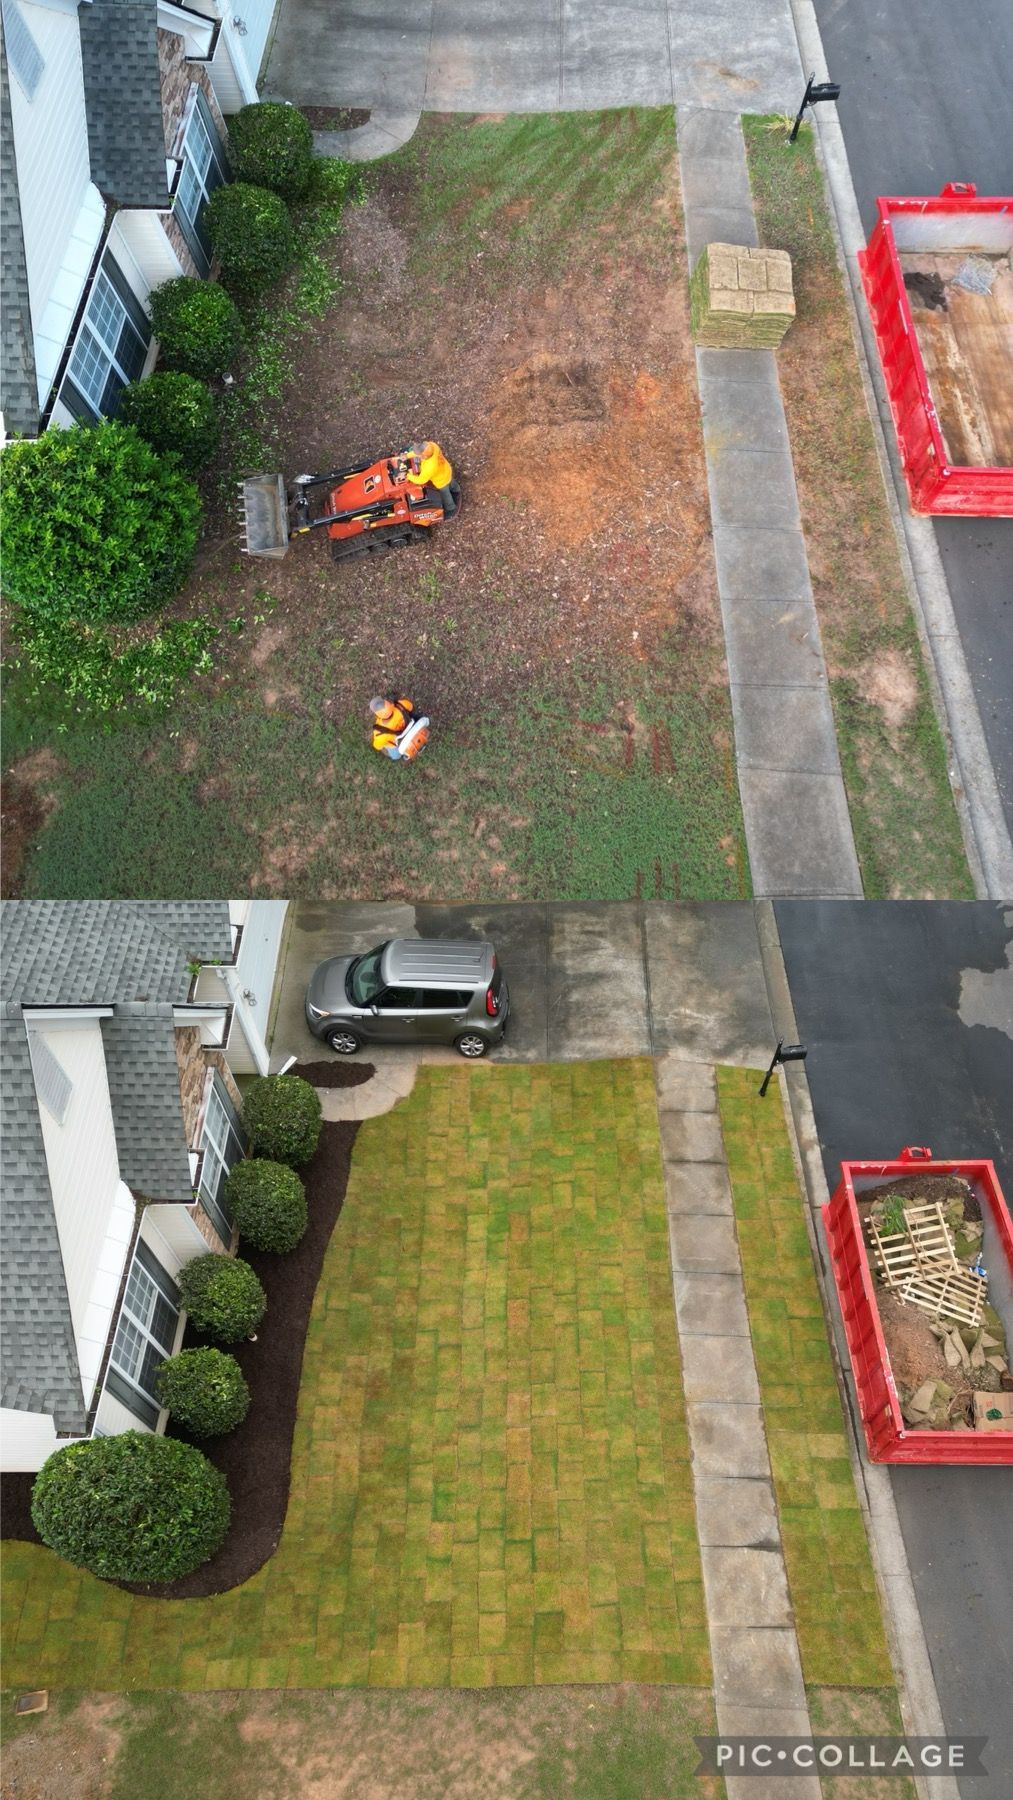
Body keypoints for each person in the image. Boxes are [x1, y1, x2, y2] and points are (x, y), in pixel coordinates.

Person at [395, 441, 460, 518]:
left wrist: (407, 475)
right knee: (451, 482)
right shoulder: (432, 446)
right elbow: (419, 452)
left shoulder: (430, 466)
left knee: (445, 494)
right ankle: (456, 489)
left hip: (441, 481)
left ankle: (451, 509)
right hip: (446, 469)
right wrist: (407, 456)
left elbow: (421, 480)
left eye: (420, 456)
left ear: (424, 457)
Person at [370, 694, 429, 760]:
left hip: (402, 744)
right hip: (415, 731)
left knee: (395, 756)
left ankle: (397, 755)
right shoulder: (401, 705)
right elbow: (411, 706)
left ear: (377, 715)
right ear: (387, 703)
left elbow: (377, 746)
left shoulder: (379, 734)